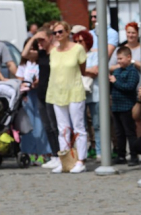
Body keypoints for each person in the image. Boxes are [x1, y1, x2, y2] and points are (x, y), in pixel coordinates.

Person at [45, 21, 88, 174]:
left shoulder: (78, 49)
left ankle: (81, 160)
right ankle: (65, 161)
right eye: (55, 32)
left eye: (60, 31)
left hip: (74, 90)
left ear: (68, 31)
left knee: (78, 127)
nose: (58, 35)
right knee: (62, 128)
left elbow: (82, 69)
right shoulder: (54, 51)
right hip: (57, 91)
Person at [29, 27, 61, 169]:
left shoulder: (55, 52)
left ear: (49, 38)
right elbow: (25, 54)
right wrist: (33, 38)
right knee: (47, 127)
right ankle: (54, 155)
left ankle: (61, 155)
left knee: (55, 127)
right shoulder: (41, 54)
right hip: (41, 92)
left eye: (42, 39)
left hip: (52, 93)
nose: (40, 42)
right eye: (39, 40)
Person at [17, 37, 49, 162]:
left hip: (39, 94)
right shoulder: (24, 64)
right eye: (28, 49)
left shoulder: (42, 62)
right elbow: (19, 78)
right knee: (28, 124)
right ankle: (28, 152)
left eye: (33, 49)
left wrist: (36, 83)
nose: (30, 52)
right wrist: (23, 86)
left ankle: (43, 152)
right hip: (27, 96)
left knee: (40, 125)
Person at [109, 46, 140, 166]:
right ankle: (121, 155)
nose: (119, 61)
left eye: (121, 58)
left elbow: (129, 87)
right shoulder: (117, 71)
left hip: (127, 106)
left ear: (129, 57)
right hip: (116, 106)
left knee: (130, 132)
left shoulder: (133, 72)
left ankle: (134, 155)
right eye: (117, 59)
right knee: (119, 133)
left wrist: (116, 82)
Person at [75, 30, 101, 160]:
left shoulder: (94, 55)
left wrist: (81, 71)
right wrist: (87, 71)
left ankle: (100, 151)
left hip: (95, 93)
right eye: (76, 41)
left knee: (97, 124)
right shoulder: (73, 55)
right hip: (79, 94)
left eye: (81, 41)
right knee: (81, 126)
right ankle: (82, 153)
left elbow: (96, 71)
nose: (78, 43)